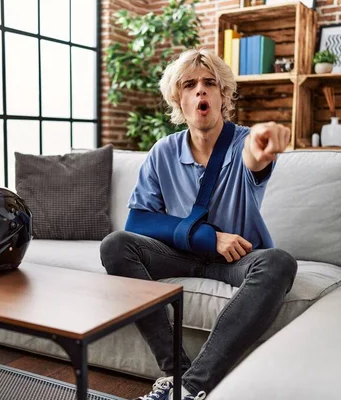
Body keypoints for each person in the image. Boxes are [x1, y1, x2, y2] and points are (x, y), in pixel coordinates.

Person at [99, 48, 298, 400]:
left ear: (223, 95)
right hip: (181, 254)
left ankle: (190, 387)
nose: (200, 91)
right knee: (115, 244)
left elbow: (254, 156)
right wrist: (209, 237)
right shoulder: (163, 151)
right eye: (189, 85)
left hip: (237, 259)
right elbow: (138, 220)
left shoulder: (243, 143)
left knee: (279, 262)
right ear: (179, 99)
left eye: (210, 84)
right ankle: (175, 373)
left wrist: (263, 144)